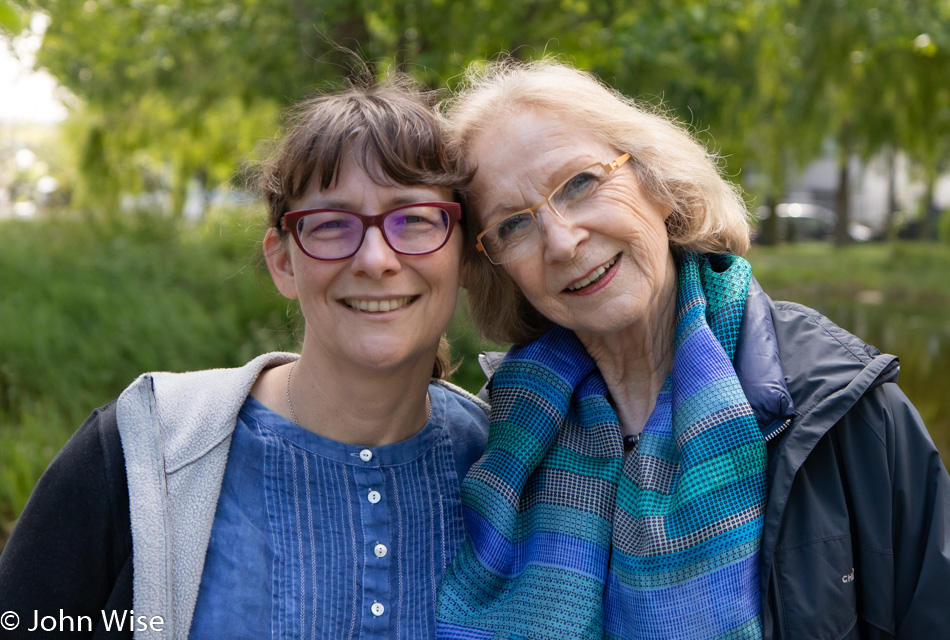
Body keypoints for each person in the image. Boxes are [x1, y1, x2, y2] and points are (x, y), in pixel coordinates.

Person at [435, 58, 950, 640]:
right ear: (498, 267)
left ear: (655, 182)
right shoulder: (500, 435)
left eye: (579, 184)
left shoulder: (840, 401)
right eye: (513, 225)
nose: (562, 240)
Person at [0, 76, 488, 639]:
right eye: (331, 225)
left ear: (464, 254)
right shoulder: (146, 452)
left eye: (416, 219)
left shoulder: (508, 469)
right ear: (282, 261)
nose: (376, 259)